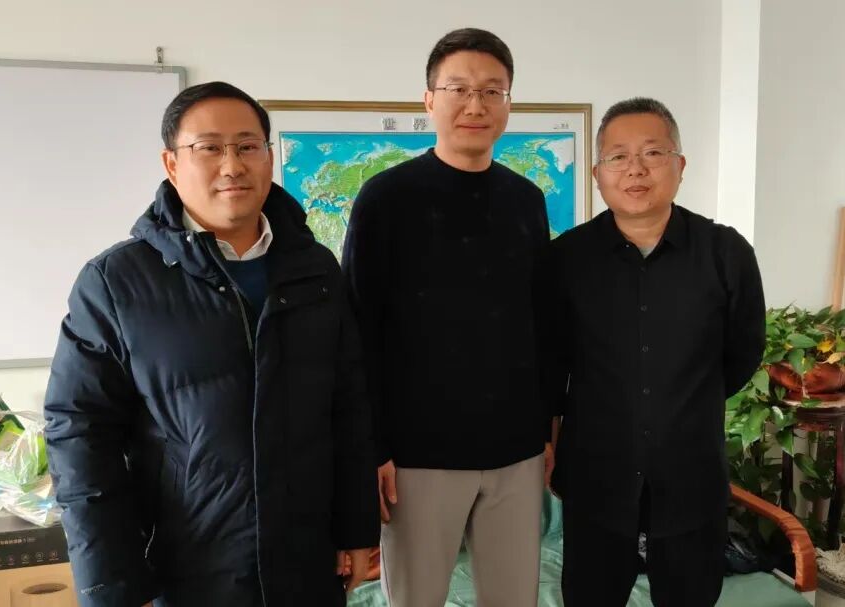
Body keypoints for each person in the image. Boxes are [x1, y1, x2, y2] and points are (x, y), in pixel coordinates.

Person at [43, 81, 378, 607]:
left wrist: (357, 530)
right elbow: (80, 434)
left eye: (247, 146)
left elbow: (349, 406)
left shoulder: (315, 270)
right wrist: (111, 584)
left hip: (306, 563)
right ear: (172, 164)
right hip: (186, 570)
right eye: (209, 148)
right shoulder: (116, 282)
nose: (232, 165)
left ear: (268, 158)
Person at [342, 27, 553, 607]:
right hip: (417, 456)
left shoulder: (526, 200)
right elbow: (359, 330)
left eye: (492, 91)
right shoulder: (385, 199)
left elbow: (538, 324)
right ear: (429, 100)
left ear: (508, 103)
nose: (475, 105)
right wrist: (373, 448)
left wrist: (543, 432)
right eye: (458, 89)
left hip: (516, 451)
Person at [547, 97, 766, 606]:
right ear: (598, 174)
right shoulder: (566, 259)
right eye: (618, 156)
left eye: (652, 153)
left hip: (691, 474)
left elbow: (742, 353)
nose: (636, 169)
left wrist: (681, 402)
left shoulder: (725, 253)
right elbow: (551, 362)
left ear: (679, 165)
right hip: (596, 475)